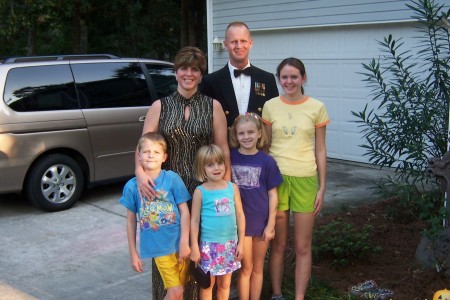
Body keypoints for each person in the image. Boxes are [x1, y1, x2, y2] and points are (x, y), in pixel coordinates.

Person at [135, 46, 230, 300]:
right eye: (184, 69)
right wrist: (140, 172)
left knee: (195, 256)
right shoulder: (160, 106)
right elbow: (143, 144)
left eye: (195, 69)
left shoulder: (213, 107)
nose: (189, 74)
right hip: (165, 193)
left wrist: (227, 190)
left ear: (201, 74)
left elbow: (223, 150)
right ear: (176, 72)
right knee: (167, 255)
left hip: (203, 191)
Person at [262, 57, 330, 300]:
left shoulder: (316, 107)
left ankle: (299, 297)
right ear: (279, 79)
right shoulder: (270, 106)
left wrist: (322, 187)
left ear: (303, 78)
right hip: (277, 181)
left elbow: (320, 149)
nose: (289, 81)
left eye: (294, 76)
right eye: (284, 77)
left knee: (302, 246)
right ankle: (277, 294)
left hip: (305, 180)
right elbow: (266, 146)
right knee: (278, 244)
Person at [120, 132, 191, 300]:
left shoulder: (172, 179)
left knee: (179, 292)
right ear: (138, 155)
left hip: (180, 243)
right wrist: (133, 253)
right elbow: (130, 221)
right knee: (176, 292)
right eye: (146, 152)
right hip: (159, 248)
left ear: (164, 157)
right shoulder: (131, 187)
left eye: (156, 152)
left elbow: (185, 211)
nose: (151, 155)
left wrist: (185, 241)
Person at [228, 113, 283, 300]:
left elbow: (272, 195)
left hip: (261, 222)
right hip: (240, 224)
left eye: (251, 132)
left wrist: (270, 225)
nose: (246, 137)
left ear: (260, 133)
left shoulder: (267, 161)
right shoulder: (230, 158)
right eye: (241, 133)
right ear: (236, 135)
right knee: (246, 268)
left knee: (258, 268)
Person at [190, 144, 246, 300]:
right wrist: (194, 245)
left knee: (225, 284)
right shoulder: (200, 191)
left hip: (230, 244)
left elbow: (240, 215)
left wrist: (240, 243)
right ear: (202, 168)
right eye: (210, 164)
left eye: (220, 163)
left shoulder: (232, 188)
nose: (216, 168)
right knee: (207, 285)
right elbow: (194, 221)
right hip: (208, 246)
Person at [200, 21, 279, 127]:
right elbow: (205, 121)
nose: (239, 46)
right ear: (226, 45)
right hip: (224, 143)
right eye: (234, 42)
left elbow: (274, 118)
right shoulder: (211, 81)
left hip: (259, 143)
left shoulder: (267, 79)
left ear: (250, 43)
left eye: (243, 41)